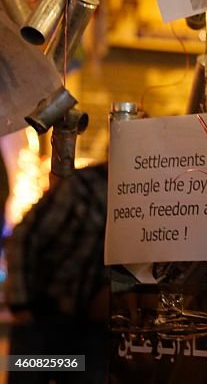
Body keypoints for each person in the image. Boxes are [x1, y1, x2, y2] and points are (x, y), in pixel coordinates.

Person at [5, 164, 109, 383]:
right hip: (43, 319)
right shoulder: (82, 187)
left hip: (90, 329)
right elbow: (24, 237)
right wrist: (21, 306)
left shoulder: (139, 195)